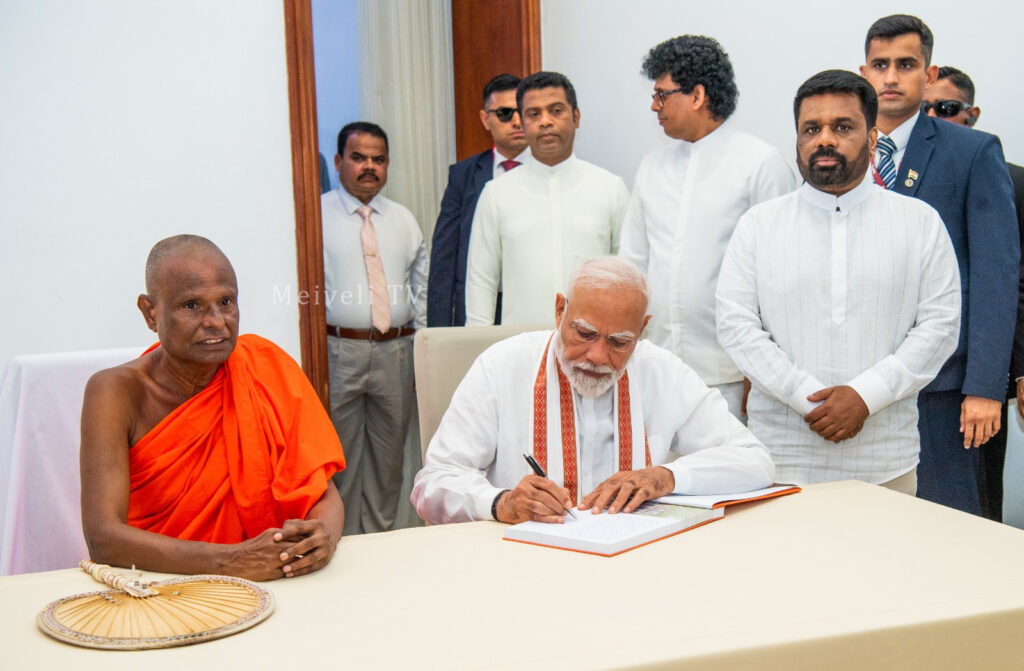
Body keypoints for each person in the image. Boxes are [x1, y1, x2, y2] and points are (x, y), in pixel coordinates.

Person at [716, 69, 961, 492]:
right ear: (797, 140)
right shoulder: (759, 225)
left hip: (886, 458)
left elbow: (940, 327)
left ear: (872, 138)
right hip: (779, 457)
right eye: (811, 129)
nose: (824, 139)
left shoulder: (919, 222)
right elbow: (736, 326)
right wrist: (806, 397)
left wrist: (866, 396)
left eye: (842, 127)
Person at [412, 256, 774, 525]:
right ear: (560, 311)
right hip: (522, 565)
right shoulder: (502, 366)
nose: (598, 356)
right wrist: (500, 503)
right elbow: (434, 482)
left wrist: (666, 477)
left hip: (635, 564)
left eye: (619, 342)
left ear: (642, 329)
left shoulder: (662, 372)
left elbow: (755, 461)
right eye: (584, 334)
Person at [80, 235, 346, 581]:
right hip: (162, 585)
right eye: (192, 305)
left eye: (226, 301)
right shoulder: (115, 393)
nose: (217, 321)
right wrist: (232, 562)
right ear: (150, 312)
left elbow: (323, 493)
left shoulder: (266, 368)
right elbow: (103, 538)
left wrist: (322, 537)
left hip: (273, 576)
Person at [860, 15, 1019, 514]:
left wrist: (985, 388)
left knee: (947, 529)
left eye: (905, 65)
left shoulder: (972, 151)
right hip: (861, 385)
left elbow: (995, 275)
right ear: (863, 72)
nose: (891, 77)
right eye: (880, 65)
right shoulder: (844, 150)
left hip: (945, 389)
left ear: (928, 75)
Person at [619, 35, 794, 418]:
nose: (654, 106)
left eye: (662, 95)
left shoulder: (760, 163)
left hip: (731, 374)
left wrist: (762, 373)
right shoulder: (652, 166)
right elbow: (632, 265)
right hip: (656, 367)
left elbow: (779, 280)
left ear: (697, 95)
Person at [924, 65, 1024, 521]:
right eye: (926, 108)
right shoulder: (890, 176)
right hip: (920, 379)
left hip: (983, 374)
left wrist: (1016, 373)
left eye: (945, 108)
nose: (933, 116)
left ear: (972, 113)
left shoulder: (1011, 179)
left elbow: (1011, 284)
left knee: (979, 502)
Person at [322, 121, 427, 534]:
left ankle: (381, 540)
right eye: (358, 157)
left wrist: (422, 352)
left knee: (389, 460)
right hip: (337, 352)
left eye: (378, 159)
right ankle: (342, 541)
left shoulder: (402, 219)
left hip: (396, 352)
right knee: (338, 458)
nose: (369, 166)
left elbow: (421, 289)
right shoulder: (316, 215)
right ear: (338, 162)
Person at [464, 71, 629, 326]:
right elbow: (481, 282)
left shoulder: (610, 188)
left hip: (593, 341)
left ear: (576, 117)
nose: (545, 121)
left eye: (556, 111)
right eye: (533, 114)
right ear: (522, 122)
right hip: (520, 343)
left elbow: (627, 275)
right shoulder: (496, 194)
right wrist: (478, 343)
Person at [427, 74, 527, 327]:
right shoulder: (463, 175)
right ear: (485, 119)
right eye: (505, 113)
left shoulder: (549, 170)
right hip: (478, 306)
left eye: (524, 112)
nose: (517, 121)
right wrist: (440, 332)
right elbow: (444, 258)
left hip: (532, 303)